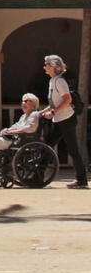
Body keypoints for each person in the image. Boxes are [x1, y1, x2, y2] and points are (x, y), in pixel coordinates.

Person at [40, 55, 88, 188]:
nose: (44, 67)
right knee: (48, 145)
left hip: (66, 119)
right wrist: (42, 112)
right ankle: (38, 175)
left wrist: (53, 113)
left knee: (72, 149)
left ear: (53, 66)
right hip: (58, 119)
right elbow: (54, 103)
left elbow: (67, 100)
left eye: (46, 65)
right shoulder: (52, 81)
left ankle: (82, 180)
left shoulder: (60, 81)